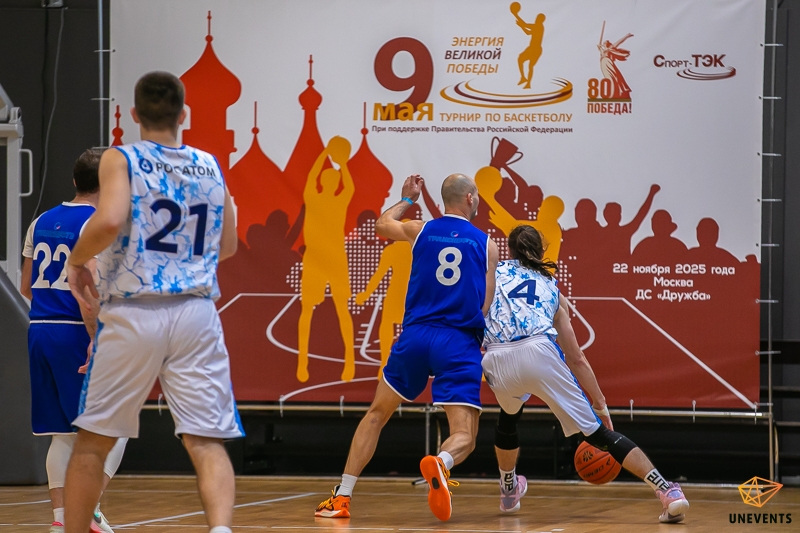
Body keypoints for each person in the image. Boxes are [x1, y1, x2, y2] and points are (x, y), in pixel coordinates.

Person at [62, 71, 242, 533]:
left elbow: (109, 220)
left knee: (93, 442)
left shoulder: (121, 158)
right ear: (184, 115)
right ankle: (221, 530)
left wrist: (77, 260)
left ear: (134, 115)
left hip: (135, 308)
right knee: (207, 441)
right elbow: (228, 245)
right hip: (196, 311)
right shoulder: (210, 165)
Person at [315, 174, 499, 521]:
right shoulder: (487, 244)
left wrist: (408, 199)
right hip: (457, 341)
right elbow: (485, 304)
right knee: (464, 434)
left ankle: (341, 498)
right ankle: (441, 462)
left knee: (376, 414)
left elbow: (383, 224)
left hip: (416, 336)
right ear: (470, 198)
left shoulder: (421, 229)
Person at [480, 225, 690, 523]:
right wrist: (600, 404)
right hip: (538, 351)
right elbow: (576, 358)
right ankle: (668, 491)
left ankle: (509, 490)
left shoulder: (491, 272)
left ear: (510, 251)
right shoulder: (552, 290)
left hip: (496, 357)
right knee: (598, 434)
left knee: (508, 416)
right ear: (541, 251)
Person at [20, 148, 128, 533]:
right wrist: (96, 337)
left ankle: (62, 519)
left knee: (62, 434)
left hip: (40, 328)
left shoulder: (41, 221)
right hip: (76, 329)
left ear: (74, 181)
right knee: (114, 426)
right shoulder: (99, 224)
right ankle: (89, 512)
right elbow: (90, 290)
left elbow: (25, 286)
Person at [297, 137, 356, 383]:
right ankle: (345, 360)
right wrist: (341, 162)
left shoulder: (317, 197)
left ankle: (306, 361)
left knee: (313, 311)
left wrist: (326, 154)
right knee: (336, 310)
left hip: (326, 259)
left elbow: (314, 177)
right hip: (322, 259)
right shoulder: (326, 198)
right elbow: (348, 186)